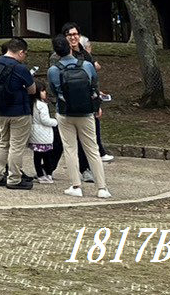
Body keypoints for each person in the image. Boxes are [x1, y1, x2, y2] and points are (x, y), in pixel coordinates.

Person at [48, 33, 110, 198]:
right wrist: (96, 106)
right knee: (92, 149)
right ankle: (102, 188)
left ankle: (76, 186)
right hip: (86, 112)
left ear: (55, 51)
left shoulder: (53, 70)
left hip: (65, 113)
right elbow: (94, 86)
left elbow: (54, 91)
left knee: (70, 149)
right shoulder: (86, 66)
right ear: (69, 47)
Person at [59, 23, 112, 163]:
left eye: (75, 34)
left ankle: (87, 166)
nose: (73, 37)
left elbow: (93, 80)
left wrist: (97, 103)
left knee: (89, 135)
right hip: (68, 103)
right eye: (69, 35)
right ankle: (47, 169)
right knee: (63, 140)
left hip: (87, 101)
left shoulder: (85, 55)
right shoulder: (59, 56)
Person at [0, 36, 35, 189]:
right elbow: (32, 89)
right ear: (20, 52)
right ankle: (14, 179)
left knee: (3, 142)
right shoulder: (20, 68)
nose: (24, 56)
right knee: (16, 146)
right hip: (19, 111)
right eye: (25, 53)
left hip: (1, 110)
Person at [28, 80, 60, 184]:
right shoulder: (42, 105)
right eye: (42, 91)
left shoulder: (32, 104)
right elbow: (45, 120)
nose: (45, 92)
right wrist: (55, 121)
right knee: (47, 155)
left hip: (34, 133)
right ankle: (47, 174)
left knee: (37, 155)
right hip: (43, 134)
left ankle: (40, 174)